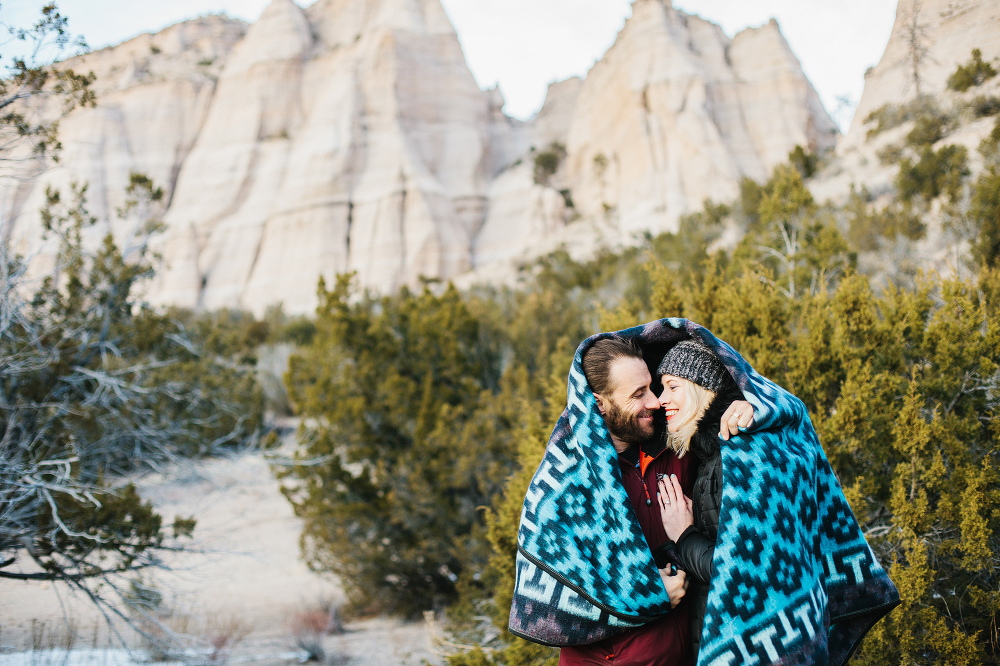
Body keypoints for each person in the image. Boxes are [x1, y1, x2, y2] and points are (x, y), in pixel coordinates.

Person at [558, 337, 753, 666]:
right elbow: (557, 602)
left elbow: (709, 395)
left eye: (653, 387)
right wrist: (646, 593)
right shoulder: (569, 484)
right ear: (599, 403)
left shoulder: (676, 446)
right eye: (639, 394)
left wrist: (752, 405)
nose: (655, 401)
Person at [654, 339, 750, 662]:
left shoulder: (735, 457)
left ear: (702, 389)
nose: (660, 399)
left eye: (672, 387)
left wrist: (684, 535)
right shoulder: (709, 457)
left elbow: (739, 573)